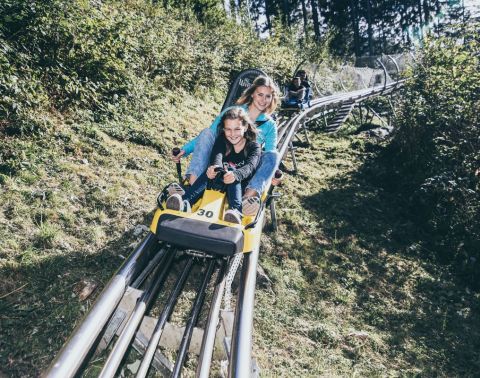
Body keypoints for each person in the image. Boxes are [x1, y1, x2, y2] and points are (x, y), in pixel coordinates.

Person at [170, 76, 280, 216]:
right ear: (252, 93)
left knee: (274, 155)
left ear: (272, 99)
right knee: (207, 132)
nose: (263, 100)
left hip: (245, 167)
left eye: (268, 96)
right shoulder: (233, 112)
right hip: (223, 162)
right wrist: (185, 150)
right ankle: (192, 185)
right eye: (260, 94)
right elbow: (209, 136)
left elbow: (268, 155)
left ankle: (248, 198)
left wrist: (272, 174)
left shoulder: (269, 125)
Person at [165, 108, 260, 224]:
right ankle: (186, 202)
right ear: (224, 129)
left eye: (237, 129)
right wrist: (215, 167)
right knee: (213, 168)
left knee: (230, 170)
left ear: (245, 128)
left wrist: (236, 174)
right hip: (218, 180)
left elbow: (250, 166)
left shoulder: (254, 146)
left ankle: (236, 211)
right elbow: (217, 156)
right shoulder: (222, 140)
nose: (232, 134)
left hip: (238, 184)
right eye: (228, 130)